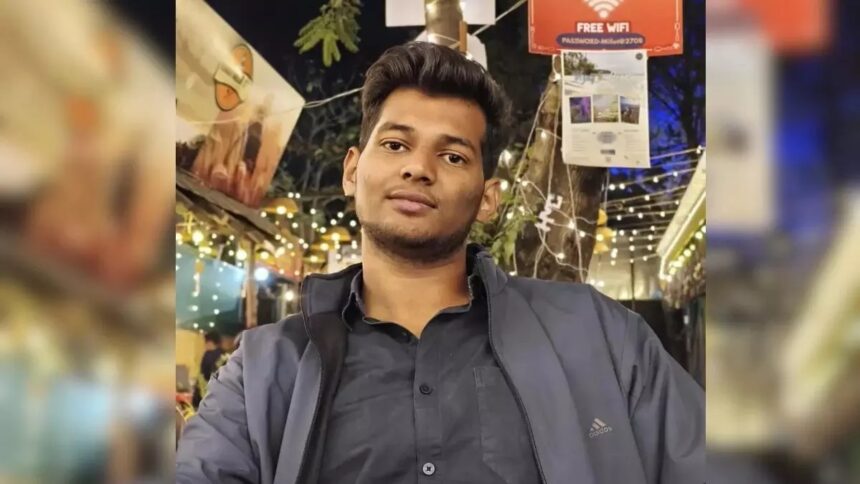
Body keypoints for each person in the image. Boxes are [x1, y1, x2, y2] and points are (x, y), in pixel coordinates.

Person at [177, 41, 704, 484]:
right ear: (352, 172)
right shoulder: (265, 371)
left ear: (488, 198)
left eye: (452, 156)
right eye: (395, 144)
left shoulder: (600, 337)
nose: (418, 168)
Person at [191, 331, 224, 408]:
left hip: (205, 394)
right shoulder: (224, 355)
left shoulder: (208, 355)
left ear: (210, 342)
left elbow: (203, 374)